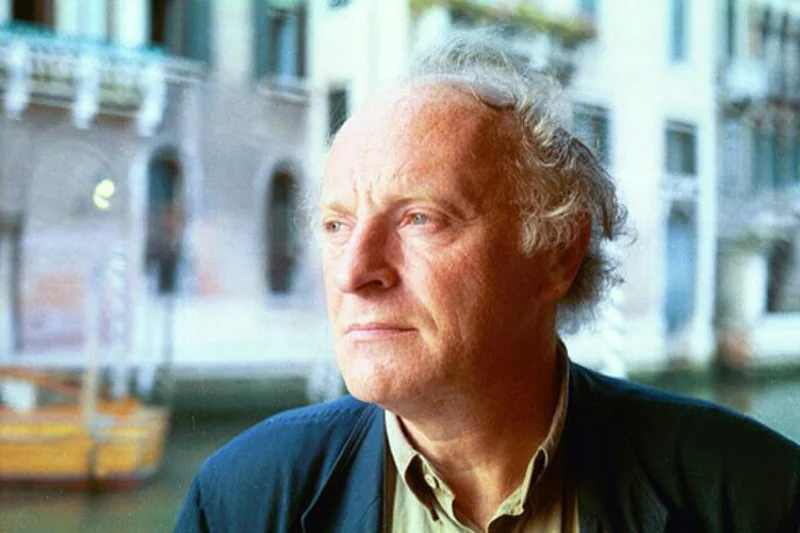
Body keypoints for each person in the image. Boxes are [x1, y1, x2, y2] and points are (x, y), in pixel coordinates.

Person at [174, 31, 800, 533]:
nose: (353, 272)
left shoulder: (757, 495)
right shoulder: (239, 500)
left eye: (420, 219)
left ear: (558, 252)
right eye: (337, 225)